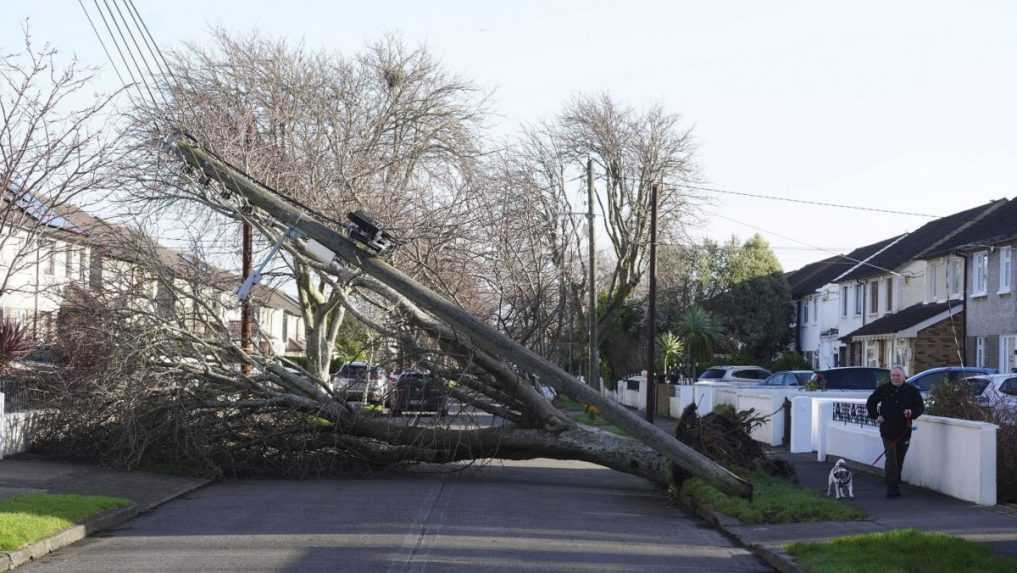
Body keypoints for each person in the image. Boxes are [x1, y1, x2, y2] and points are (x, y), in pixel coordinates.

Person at [866, 366, 924, 498]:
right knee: (891, 459)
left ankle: (893, 481)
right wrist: (876, 416)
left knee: (899, 459)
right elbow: (871, 403)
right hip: (887, 429)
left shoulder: (912, 391)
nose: (895, 378)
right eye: (893, 375)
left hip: (904, 430)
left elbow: (920, 407)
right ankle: (892, 488)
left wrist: (912, 412)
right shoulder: (883, 389)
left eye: (898, 375)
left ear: (904, 376)